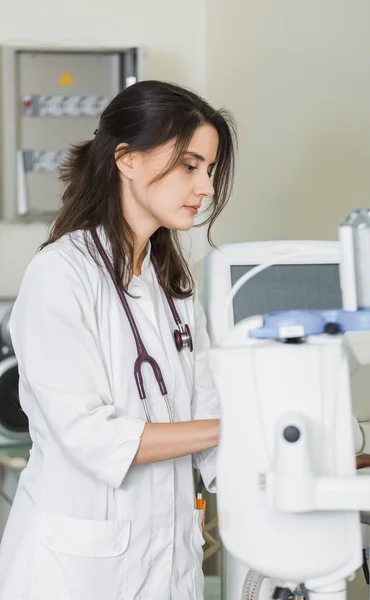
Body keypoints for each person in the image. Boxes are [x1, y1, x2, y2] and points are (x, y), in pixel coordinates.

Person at [0, 80, 236, 600]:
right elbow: (92, 436)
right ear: (127, 159)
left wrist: (297, 452)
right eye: (190, 165)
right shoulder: (61, 274)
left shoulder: (174, 283)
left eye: (210, 170)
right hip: (78, 574)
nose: (207, 188)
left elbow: (210, 413)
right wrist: (242, 426)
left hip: (169, 569)